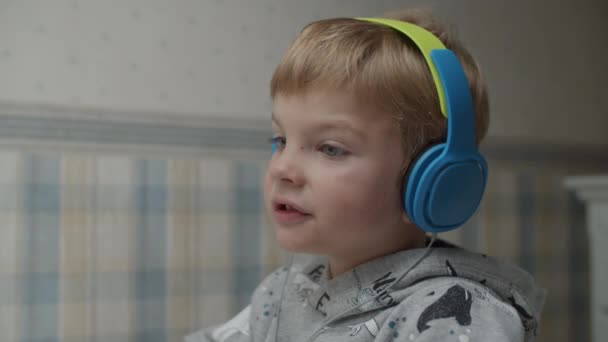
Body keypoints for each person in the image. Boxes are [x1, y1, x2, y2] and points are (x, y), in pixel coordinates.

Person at [186, 8, 545, 342]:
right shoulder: (284, 293)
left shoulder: (457, 313)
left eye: (330, 148)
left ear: (434, 180)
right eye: (280, 140)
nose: (281, 168)